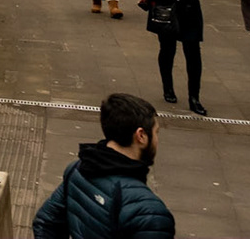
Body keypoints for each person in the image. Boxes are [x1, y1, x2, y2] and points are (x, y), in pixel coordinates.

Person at [32, 92, 172, 239]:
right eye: (156, 133)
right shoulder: (151, 213)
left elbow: (46, 222)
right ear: (141, 135)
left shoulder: (78, 170)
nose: (157, 140)